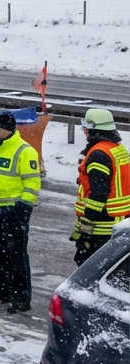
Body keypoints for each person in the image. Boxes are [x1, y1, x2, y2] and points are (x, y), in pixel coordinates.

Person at [0, 111, 41, 314]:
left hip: (14, 212)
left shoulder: (24, 151)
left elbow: (32, 183)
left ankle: (21, 298)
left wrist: (22, 207)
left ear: (9, 130)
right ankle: (3, 290)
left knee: (17, 256)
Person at [73, 107, 130, 265]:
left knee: (90, 266)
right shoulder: (116, 148)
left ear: (95, 130)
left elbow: (99, 192)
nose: (84, 132)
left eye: (86, 129)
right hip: (120, 219)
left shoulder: (98, 155)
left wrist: (87, 219)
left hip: (102, 226)